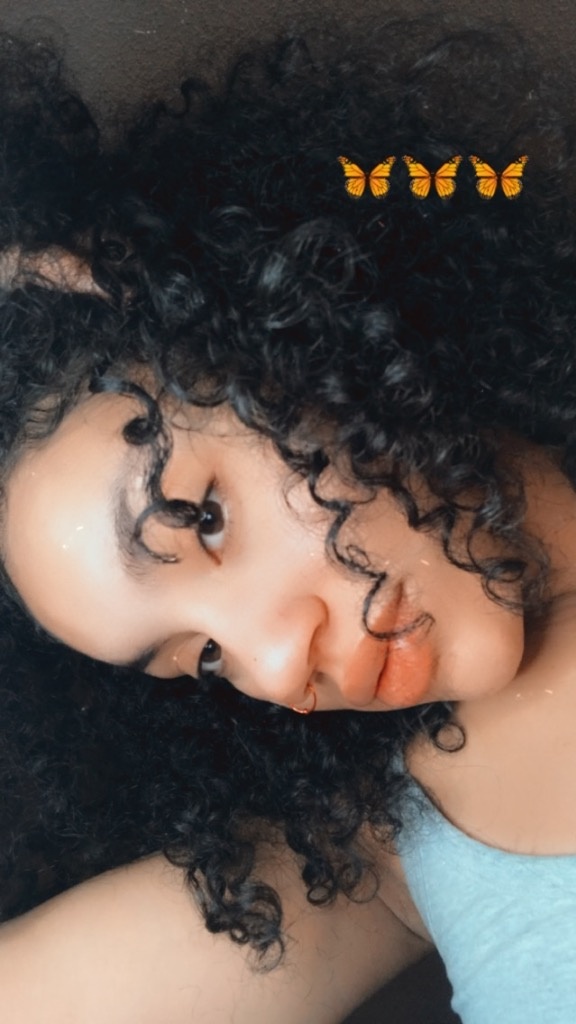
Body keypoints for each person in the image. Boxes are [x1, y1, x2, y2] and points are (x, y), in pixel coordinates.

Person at [0, 16, 575, 1022]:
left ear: (293, 324)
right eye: (202, 659)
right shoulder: (378, 854)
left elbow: (476, 180)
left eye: (204, 519)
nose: (275, 672)